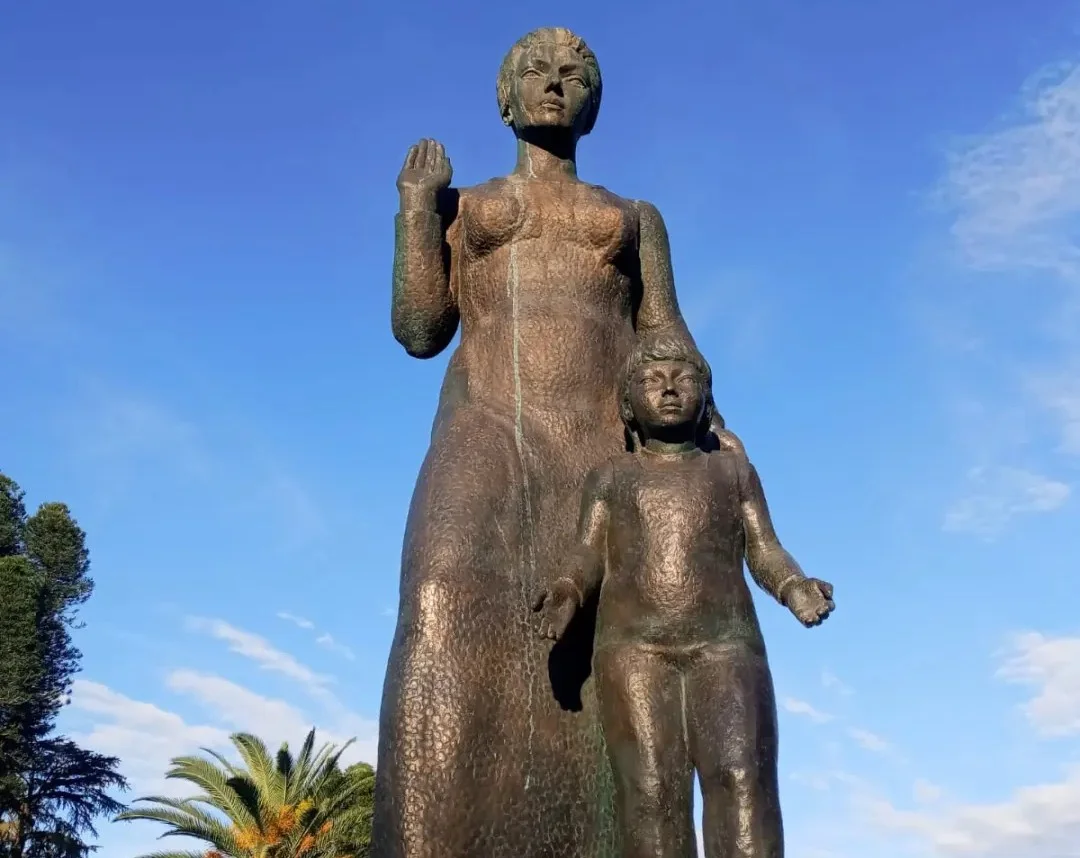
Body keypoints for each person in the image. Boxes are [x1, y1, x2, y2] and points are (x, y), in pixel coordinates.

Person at [374, 28, 742, 858]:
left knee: (606, 655)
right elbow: (419, 328)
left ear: (594, 104)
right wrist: (412, 210)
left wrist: (718, 434)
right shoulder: (464, 207)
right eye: (535, 72)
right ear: (504, 98)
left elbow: (666, 336)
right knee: (440, 602)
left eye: (576, 75)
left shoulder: (633, 217)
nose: (555, 84)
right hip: (486, 430)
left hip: (599, 448)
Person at [534, 334, 835, 858]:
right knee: (651, 793)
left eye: (684, 377)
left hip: (725, 645)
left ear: (705, 398)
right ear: (628, 403)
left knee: (742, 780)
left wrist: (794, 586)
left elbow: (764, 549)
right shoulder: (611, 477)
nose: (669, 388)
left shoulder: (733, 472)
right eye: (652, 379)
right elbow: (588, 551)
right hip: (635, 651)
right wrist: (567, 589)